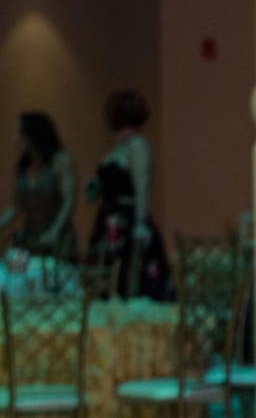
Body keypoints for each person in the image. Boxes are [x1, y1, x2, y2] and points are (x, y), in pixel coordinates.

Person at [85, 89, 172, 299]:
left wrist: (140, 223)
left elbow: (141, 186)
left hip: (127, 221)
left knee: (129, 279)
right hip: (108, 220)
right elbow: (96, 194)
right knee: (106, 276)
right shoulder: (115, 150)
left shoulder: (137, 145)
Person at [0, 111, 78, 260]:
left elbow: (68, 200)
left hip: (57, 236)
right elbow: (16, 206)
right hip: (32, 237)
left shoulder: (60, 160)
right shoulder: (24, 167)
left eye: (19, 134)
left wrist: (54, 231)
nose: (15, 140)